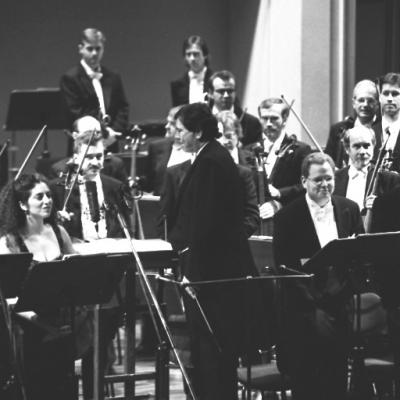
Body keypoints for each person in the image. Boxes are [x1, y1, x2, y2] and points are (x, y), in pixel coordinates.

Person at [168, 103, 263, 399]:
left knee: (212, 357)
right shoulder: (210, 156)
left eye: (181, 130)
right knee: (211, 358)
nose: (176, 135)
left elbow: (206, 225)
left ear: (197, 131)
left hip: (212, 280)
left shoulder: (209, 162)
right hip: (213, 275)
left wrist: (192, 275)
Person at [273, 152, 364, 400]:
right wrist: (315, 306)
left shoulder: (349, 209)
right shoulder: (286, 218)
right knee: (308, 385)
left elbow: (359, 258)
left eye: (329, 178)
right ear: (304, 181)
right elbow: (284, 269)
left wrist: (345, 292)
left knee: (337, 382)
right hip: (305, 312)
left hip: (341, 307)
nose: (325, 184)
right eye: (318, 180)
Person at [50, 124, 130, 399]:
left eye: (99, 157)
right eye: (89, 157)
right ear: (75, 157)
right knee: (68, 348)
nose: (95, 162)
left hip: (106, 277)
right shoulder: (59, 189)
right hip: (73, 276)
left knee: (99, 349)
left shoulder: (114, 187)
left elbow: (123, 229)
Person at [0, 173, 76, 400]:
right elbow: (10, 298)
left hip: (62, 324)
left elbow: (75, 273)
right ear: (23, 204)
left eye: (49, 196)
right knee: (36, 389)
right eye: (39, 196)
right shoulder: (7, 242)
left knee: (64, 387)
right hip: (27, 329)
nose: (47, 201)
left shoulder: (59, 233)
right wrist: (44, 325)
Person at [60, 28, 129, 154]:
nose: (94, 53)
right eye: (90, 49)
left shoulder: (113, 76)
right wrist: (104, 132)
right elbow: (76, 113)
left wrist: (114, 133)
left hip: (111, 142)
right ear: (80, 49)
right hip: (84, 143)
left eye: (98, 49)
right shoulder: (70, 78)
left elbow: (122, 108)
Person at [257, 97, 312, 223]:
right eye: (264, 118)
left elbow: (306, 186)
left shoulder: (301, 150)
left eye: (274, 118)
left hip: (288, 220)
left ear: (285, 119)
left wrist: (280, 193)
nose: (269, 123)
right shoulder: (250, 149)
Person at [334, 125, 400, 214]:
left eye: (366, 146)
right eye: (357, 146)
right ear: (347, 149)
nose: (362, 152)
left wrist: (380, 204)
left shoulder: (390, 179)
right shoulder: (334, 178)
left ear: (373, 147)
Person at [49, 115, 128, 184]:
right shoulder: (59, 169)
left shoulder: (116, 165)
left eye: (97, 133)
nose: (93, 136)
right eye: (88, 133)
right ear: (75, 136)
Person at [325, 79, 381, 168]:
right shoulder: (338, 129)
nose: (365, 105)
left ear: (377, 104)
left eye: (370, 101)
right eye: (361, 100)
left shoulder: (383, 129)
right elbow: (329, 161)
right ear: (353, 103)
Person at [208, 70, 262, 147]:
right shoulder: (200, 120)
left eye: (230, 91)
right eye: (221, 91)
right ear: (210, 93)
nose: (226, 95)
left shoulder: (252, 123)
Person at [146, 105, 191, 194]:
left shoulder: (197, 150)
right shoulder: (156, 147)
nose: (167, 126)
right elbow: (150, 184)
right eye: (167, 122)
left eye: (172, 123)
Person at [171, 35, 213, 107]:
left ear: (205, 55)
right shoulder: (177, 85)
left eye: (196, 54)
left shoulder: (216, 81)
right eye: (188, 54)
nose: (192, 58)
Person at [378, 72, 400, 173]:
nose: (390, 99)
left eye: (395, 94)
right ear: (380, 97)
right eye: (386, 93)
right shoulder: (369, 129)